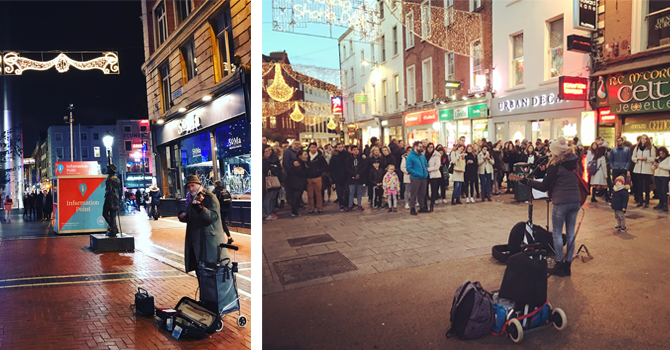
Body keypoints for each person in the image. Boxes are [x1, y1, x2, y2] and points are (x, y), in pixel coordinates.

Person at [509, 137, 581, 277]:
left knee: (557, 234)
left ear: (555, 152)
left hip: (561, 202)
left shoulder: (555, 165)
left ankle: (559, 264)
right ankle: (568, 266)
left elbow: (544, 187)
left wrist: (525, 181)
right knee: (571, 233)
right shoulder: (574, 162)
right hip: (575, 201)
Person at [178, 175, 229, 273]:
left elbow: (213, 216)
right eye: (188, 187)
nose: (190, 189)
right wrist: (183, 216)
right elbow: (191, 216)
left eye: (192, 185)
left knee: (210, 272)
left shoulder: (209, 197)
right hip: (197, 241)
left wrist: (201, 209)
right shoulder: (193, 198)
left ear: (198, 185)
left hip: (208, 242)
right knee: (200, 271)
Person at [405, 141, 429, 215]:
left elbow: (426, 164)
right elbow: (408, 168)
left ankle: (422, 207)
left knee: (422, 193)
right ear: (415, 146)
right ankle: (412, 208)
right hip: (415, 178)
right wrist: (416, 173)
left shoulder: (422, 156)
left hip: (423, 177)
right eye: (420, 146)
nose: (421, 148)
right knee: (414, 193)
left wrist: (426, 172)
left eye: (422, 146)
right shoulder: (410, 156)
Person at [631, 134, 655, 208]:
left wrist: (646, 159)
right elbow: (633, 157)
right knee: (639, 186)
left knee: (647, 186)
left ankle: (647, 201)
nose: (643, 140)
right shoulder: (637, 148)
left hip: (647, 169)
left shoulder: (651, 148)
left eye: (645, 139)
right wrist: (637, 159)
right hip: (638, 169)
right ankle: (640, 201)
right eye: (642, 139)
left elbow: (653, 158)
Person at [305, 142, 328, 214]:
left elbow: (325, 166)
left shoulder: (320, 157)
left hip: (317, 177)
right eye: (312, 147)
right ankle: (311, 208)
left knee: (318, 193)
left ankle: (319, 207)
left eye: (315, 147)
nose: (313, 149)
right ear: (309, 148)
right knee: (310, 194)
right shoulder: (306, 157)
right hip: (308, 177)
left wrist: (318, 171)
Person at [286, 149, 309, 217]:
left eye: (307, 154)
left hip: (299, 182)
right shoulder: (298, 162)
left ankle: (296, 210)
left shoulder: (304, 162)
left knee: (297, 196)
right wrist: (306, 170)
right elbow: (299, 172)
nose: (306, 156)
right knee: (295, 196)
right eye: (305, 154)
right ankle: (294, 211)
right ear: (300, 156)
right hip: (296, 182)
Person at [345, 145, 368, 212]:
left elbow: (364, 167)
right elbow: (347, 168)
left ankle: (359, 204)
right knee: (351, 192)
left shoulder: (361, 158)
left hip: (360, 177)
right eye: (354, 150)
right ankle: (350, 205)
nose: (356, 151)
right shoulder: (348, 158)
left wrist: (359, 174)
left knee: (359, 192)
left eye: (357, 150)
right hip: (351, 178)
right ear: (351, 151)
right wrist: (353, 174)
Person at [263, 144, 281, 221]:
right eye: (266, 151)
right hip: (266, 181)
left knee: (273, 197)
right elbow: (266, 170)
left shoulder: (270, 159)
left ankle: (271, 212)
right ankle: (268, 213)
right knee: (268, 198)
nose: (269, 152)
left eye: (270, 150)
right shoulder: (263, 161)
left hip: (273, 179)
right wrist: (273, 168)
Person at [329, 143, 349, 211]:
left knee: (347, 191)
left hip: (346, 176)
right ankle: (341, 204)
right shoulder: (334, 156)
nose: (340, 148)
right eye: (339, 147)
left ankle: (346, 203)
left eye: (341, 147)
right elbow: (331, 167)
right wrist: (333, 176)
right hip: (338, 177)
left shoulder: (347, 155)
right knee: (339, 192)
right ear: (336, 148)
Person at [653, 147, 670, 212]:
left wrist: (659, 166)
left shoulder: (668, 159)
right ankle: (660, 203)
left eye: (662, 153)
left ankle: (665, 204)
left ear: (665, 153)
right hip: (657, 175)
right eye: (660, 153)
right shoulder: (657, 159)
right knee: (659, 190)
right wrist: (654, 165)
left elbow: (668, 167)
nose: (661, 154)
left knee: (663, 190)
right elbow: (653, 167)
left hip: (664, 176)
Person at [426, 143, 442, 211]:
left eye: (431, 147)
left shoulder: (436, 155)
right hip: (426, 175)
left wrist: (428, 169)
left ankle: (432, 205)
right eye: (429, 147)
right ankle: (425, 205)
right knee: (425, 190)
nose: (430, 148)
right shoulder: (424, 155)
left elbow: (437, 166)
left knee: (434, 190)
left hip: (435, 175)